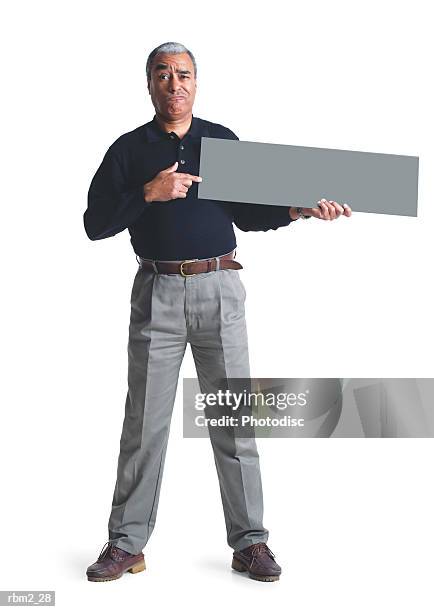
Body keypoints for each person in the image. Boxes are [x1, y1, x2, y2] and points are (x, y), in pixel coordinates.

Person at [84, 41, 352, 584]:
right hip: (156, 291)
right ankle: (126, 543)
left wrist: (303, 208)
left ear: (195, 82)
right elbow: (95, 223)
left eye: (183, 74)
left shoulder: (219, 142)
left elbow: (253, 212)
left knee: (234, 418)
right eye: (163, 74)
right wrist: (148, 192)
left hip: (220, 289)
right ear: (150, 83)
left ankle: (250, 543)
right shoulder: (129, 150)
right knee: (144, 424)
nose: (174, 83)